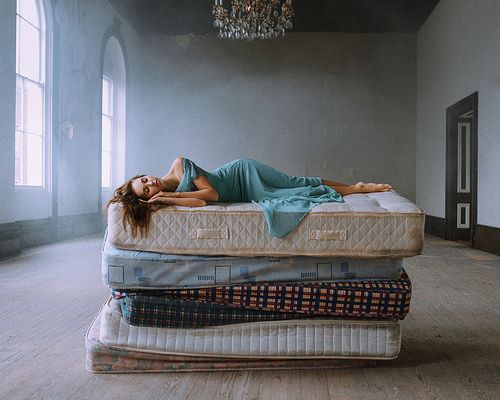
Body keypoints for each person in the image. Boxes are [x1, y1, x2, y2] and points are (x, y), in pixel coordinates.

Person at [108, 157, 392, 238]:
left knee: (297, 183)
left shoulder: (180, 164)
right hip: (242, 192)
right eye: (146, 190)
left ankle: (357, 187)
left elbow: (212, 194)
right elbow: (199, 203)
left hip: (242, 174)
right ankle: (354, 188)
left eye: (144, 180)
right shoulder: (169, 197)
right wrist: (164, 200)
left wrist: (167, 195)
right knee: (294, 193)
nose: (150, 184)